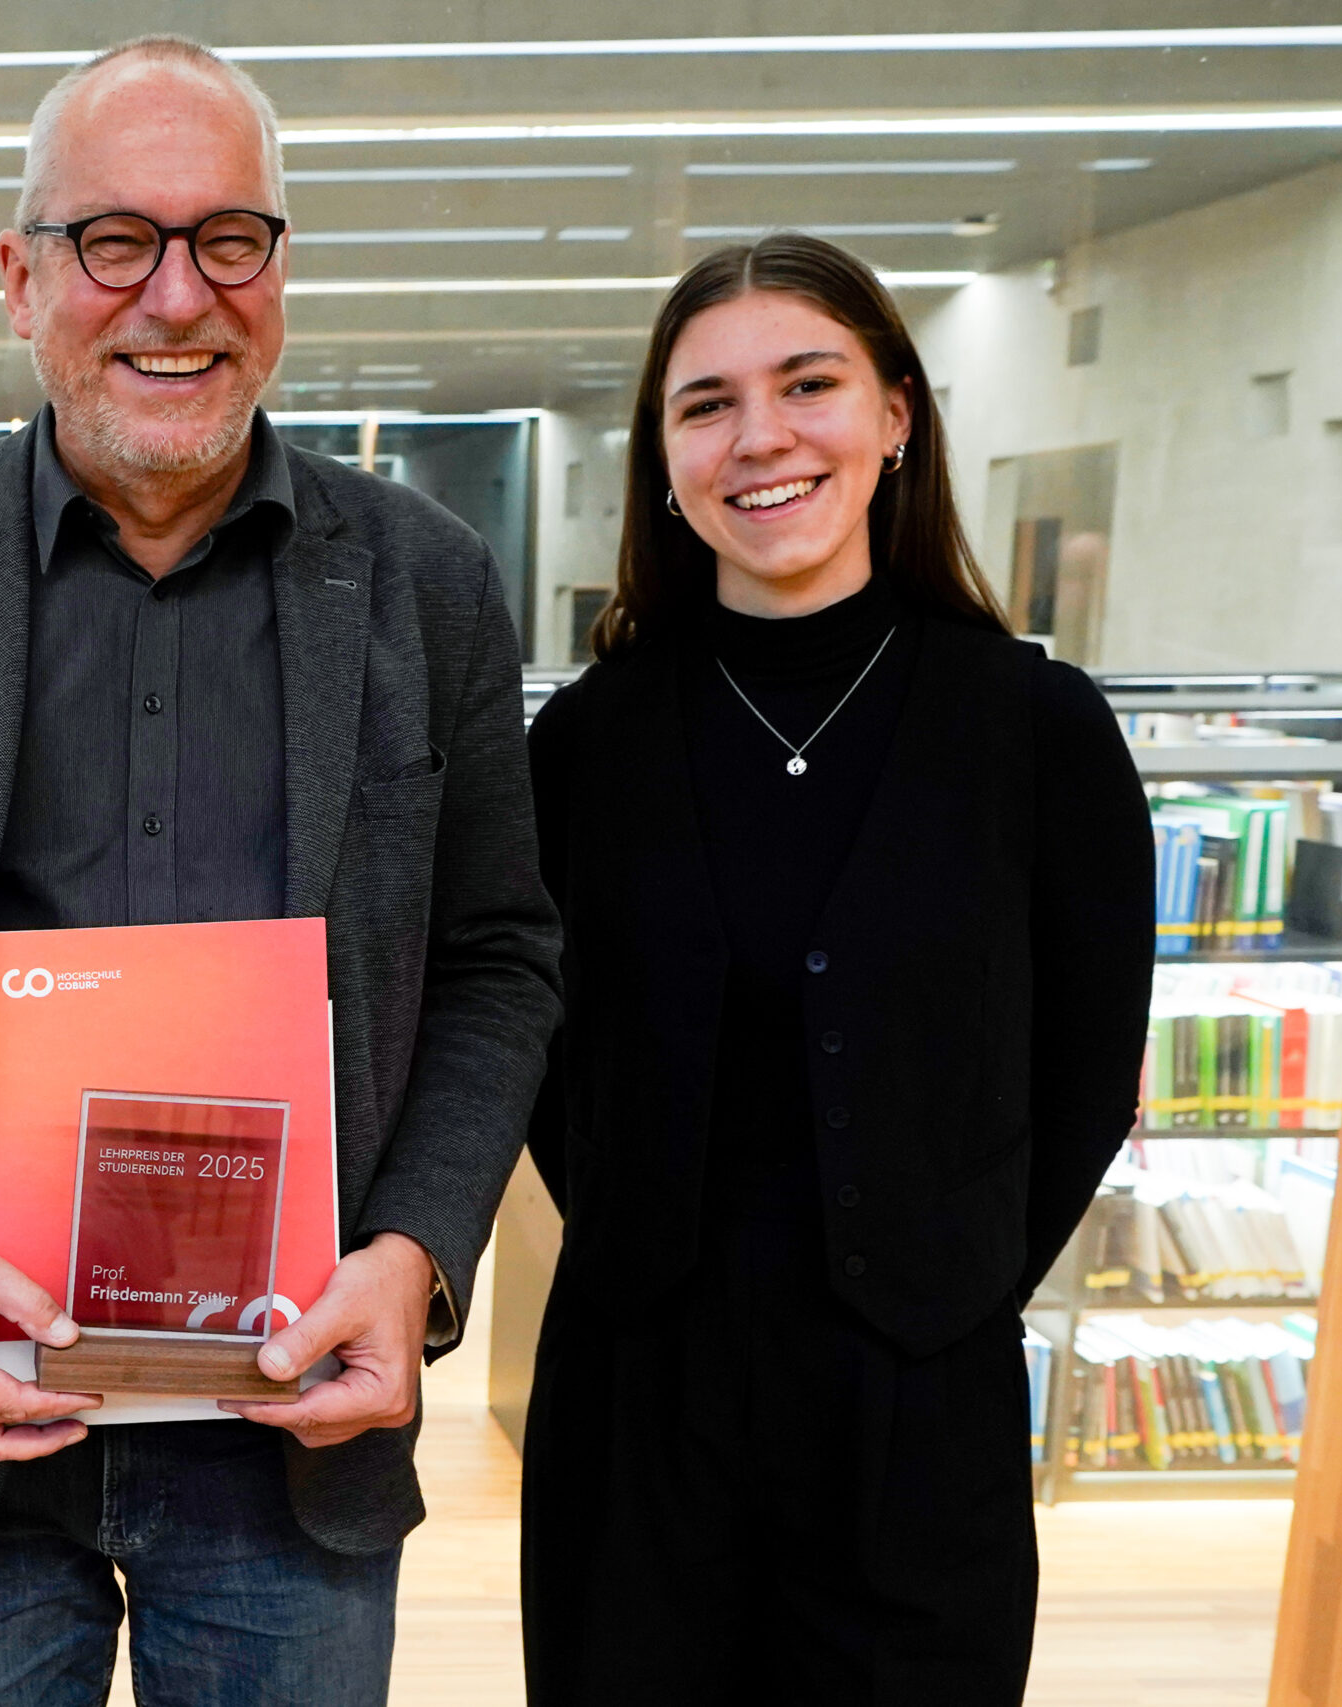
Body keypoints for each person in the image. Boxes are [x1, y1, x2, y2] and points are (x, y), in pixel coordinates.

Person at [0, 34, 562, 1707]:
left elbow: (499, 959)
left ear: (279, 274)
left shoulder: (426, 583)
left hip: (291, 1438)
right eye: (114, 240)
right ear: (20, 280)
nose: (178, 294)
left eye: (229, 238)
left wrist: (416, 1253)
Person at [519, 232, 1156, 1705]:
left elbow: (1084, 1074)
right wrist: (641, 1241)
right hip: (638, 1411)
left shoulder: (1036, 729)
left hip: (919, 1414)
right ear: (665, 457)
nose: (761, 437)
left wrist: (947, 1281)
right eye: (707, 404)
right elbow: (536, 1053)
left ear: (895, 416)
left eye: (808, 384)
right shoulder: (586, 745)